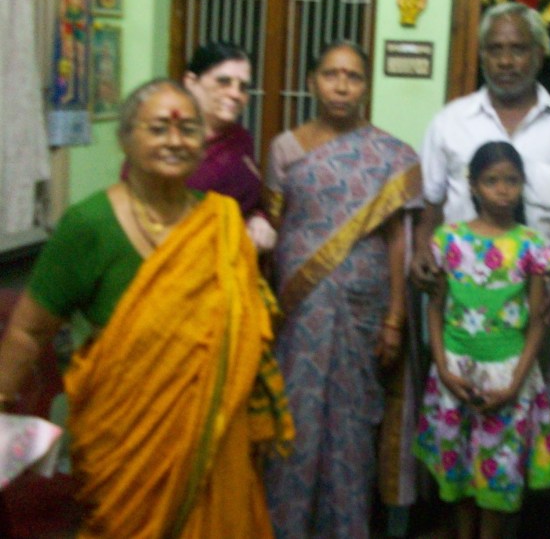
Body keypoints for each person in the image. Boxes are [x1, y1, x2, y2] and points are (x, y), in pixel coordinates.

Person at [0, 78, 293, 538]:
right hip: (125, 444)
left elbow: (246, 336)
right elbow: (29, 331)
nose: (175, 140)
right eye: (158, 128)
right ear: (125, 138)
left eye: (188, 129)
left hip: (214, 442)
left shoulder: (221, 225)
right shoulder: (89, 224)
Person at [263, 42, 421, 538]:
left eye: (353, 76)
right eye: (331, 74)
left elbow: (399, 240)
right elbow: (273, 231)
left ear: (366, 87)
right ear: (313, 81)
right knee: (296, 418)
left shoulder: (392, 156)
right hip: (298, 310)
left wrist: (395, 317)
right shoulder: (285, 149)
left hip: (363, 311)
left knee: (353, 427)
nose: (341, 86)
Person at [411, 2, 550, 314]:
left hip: (537, 295)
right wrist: (422, 247)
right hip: (457, 297)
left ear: (539, 54)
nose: (505, 61)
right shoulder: (450, 122)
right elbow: (430, 203)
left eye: (518, 49)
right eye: (495, 49)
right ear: (483, 55)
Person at [414, 141, 550, 538]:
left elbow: (538, 322)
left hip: (507, 373)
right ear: (473, 186)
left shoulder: (532, 245)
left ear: (523, 185)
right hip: (455, 370)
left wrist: (515, 383)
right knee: (460, 473)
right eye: (492, 181)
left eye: (512, 181)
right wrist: (443, 369)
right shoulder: (448, 240)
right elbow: (434, 309)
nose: (503, 190)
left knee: (497, 475)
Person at [182, 41, 276, 250]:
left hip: (236, 259)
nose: (235, 94)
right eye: (223, 81)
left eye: (243, 87)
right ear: (191, 82)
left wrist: (258, 220)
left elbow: (250, 201)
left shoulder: (240, 139)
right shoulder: (167, 141)